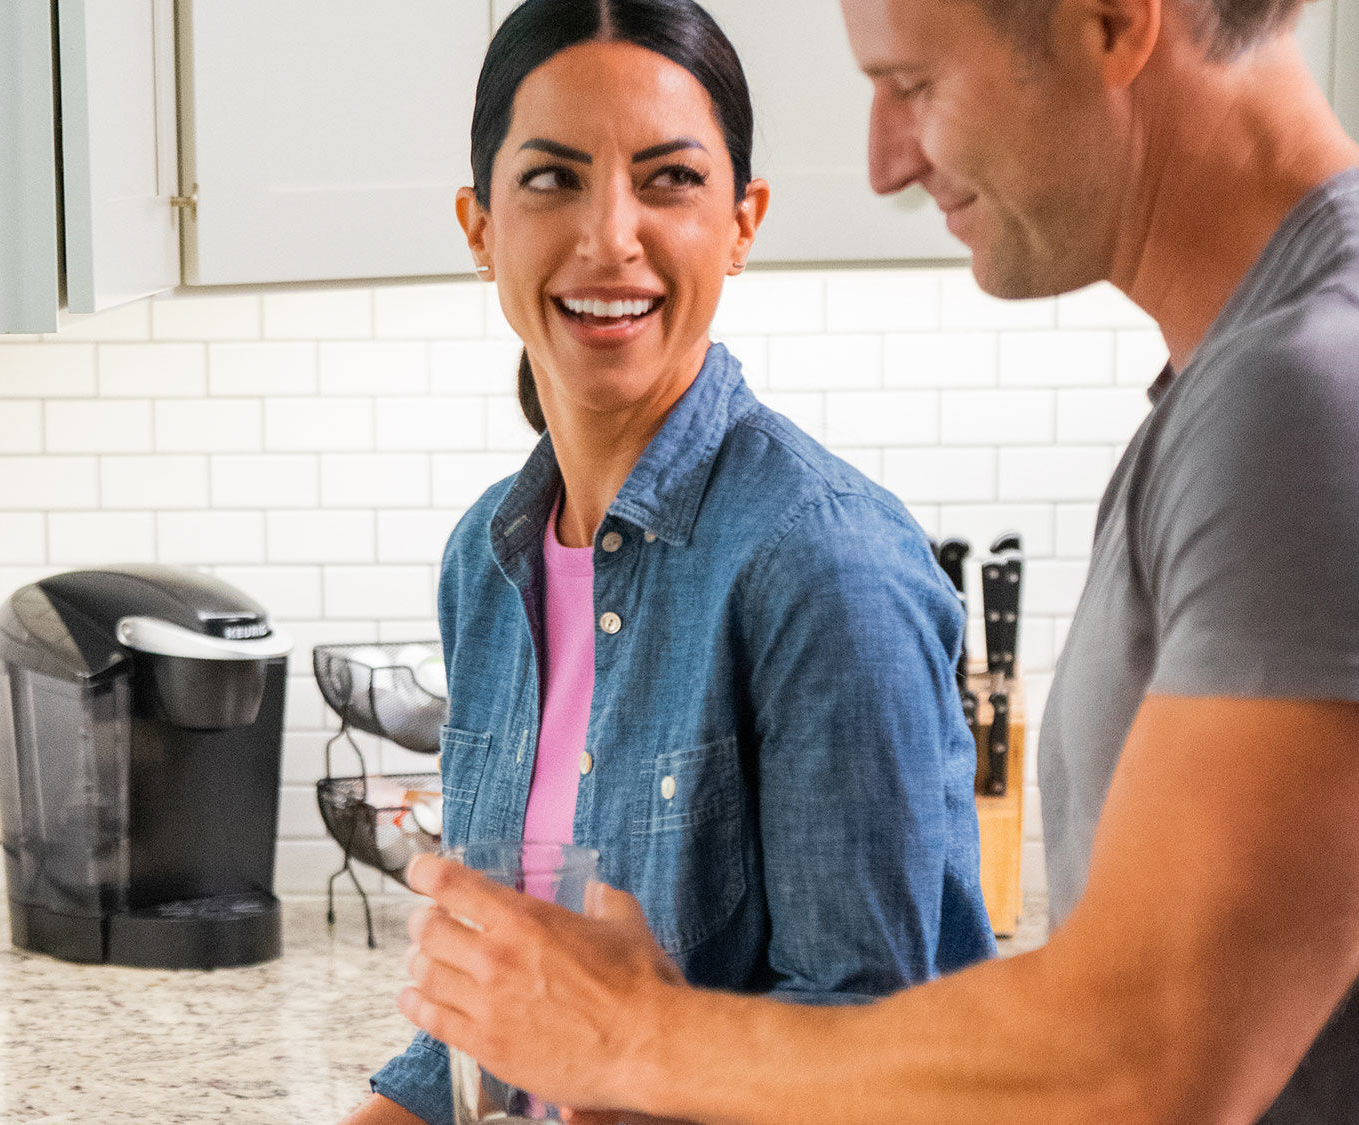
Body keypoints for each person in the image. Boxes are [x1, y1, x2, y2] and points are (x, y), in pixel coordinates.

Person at [399, 0, 1359, 1120]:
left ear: (1108, 19)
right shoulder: (1239, 394)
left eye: (912, 84)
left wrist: (624, 1036)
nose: (884, 162)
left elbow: (1144, 1056)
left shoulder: (1303, 396)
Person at [345, 2, 997, 1122]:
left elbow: (876, 1060)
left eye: (668, 180)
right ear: (477, 225)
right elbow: (489, 1031)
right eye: (551, 179)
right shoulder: (484, 565)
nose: (609, 236)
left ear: (741, 222)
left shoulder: (821, 569)